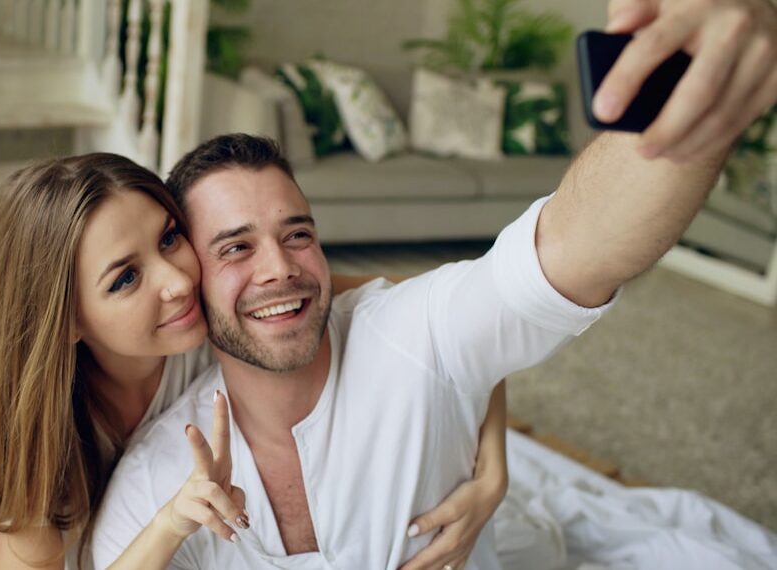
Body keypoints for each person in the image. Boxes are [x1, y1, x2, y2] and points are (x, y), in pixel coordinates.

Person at [91, 1, 777, 568]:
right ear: (193, 279)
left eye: (298, 234)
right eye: (236, 247)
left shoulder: (409, 330)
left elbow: (573, 250)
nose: (280, 267)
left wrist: (693, 110)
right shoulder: (158, 480)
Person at [0, 153, 509, 570]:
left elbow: (443, 314)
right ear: (67, 321)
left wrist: (493, 472)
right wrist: (169, 523)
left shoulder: (213, 315)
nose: (178, 281)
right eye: (126, 278)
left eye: (169, 239)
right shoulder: (36, 455)